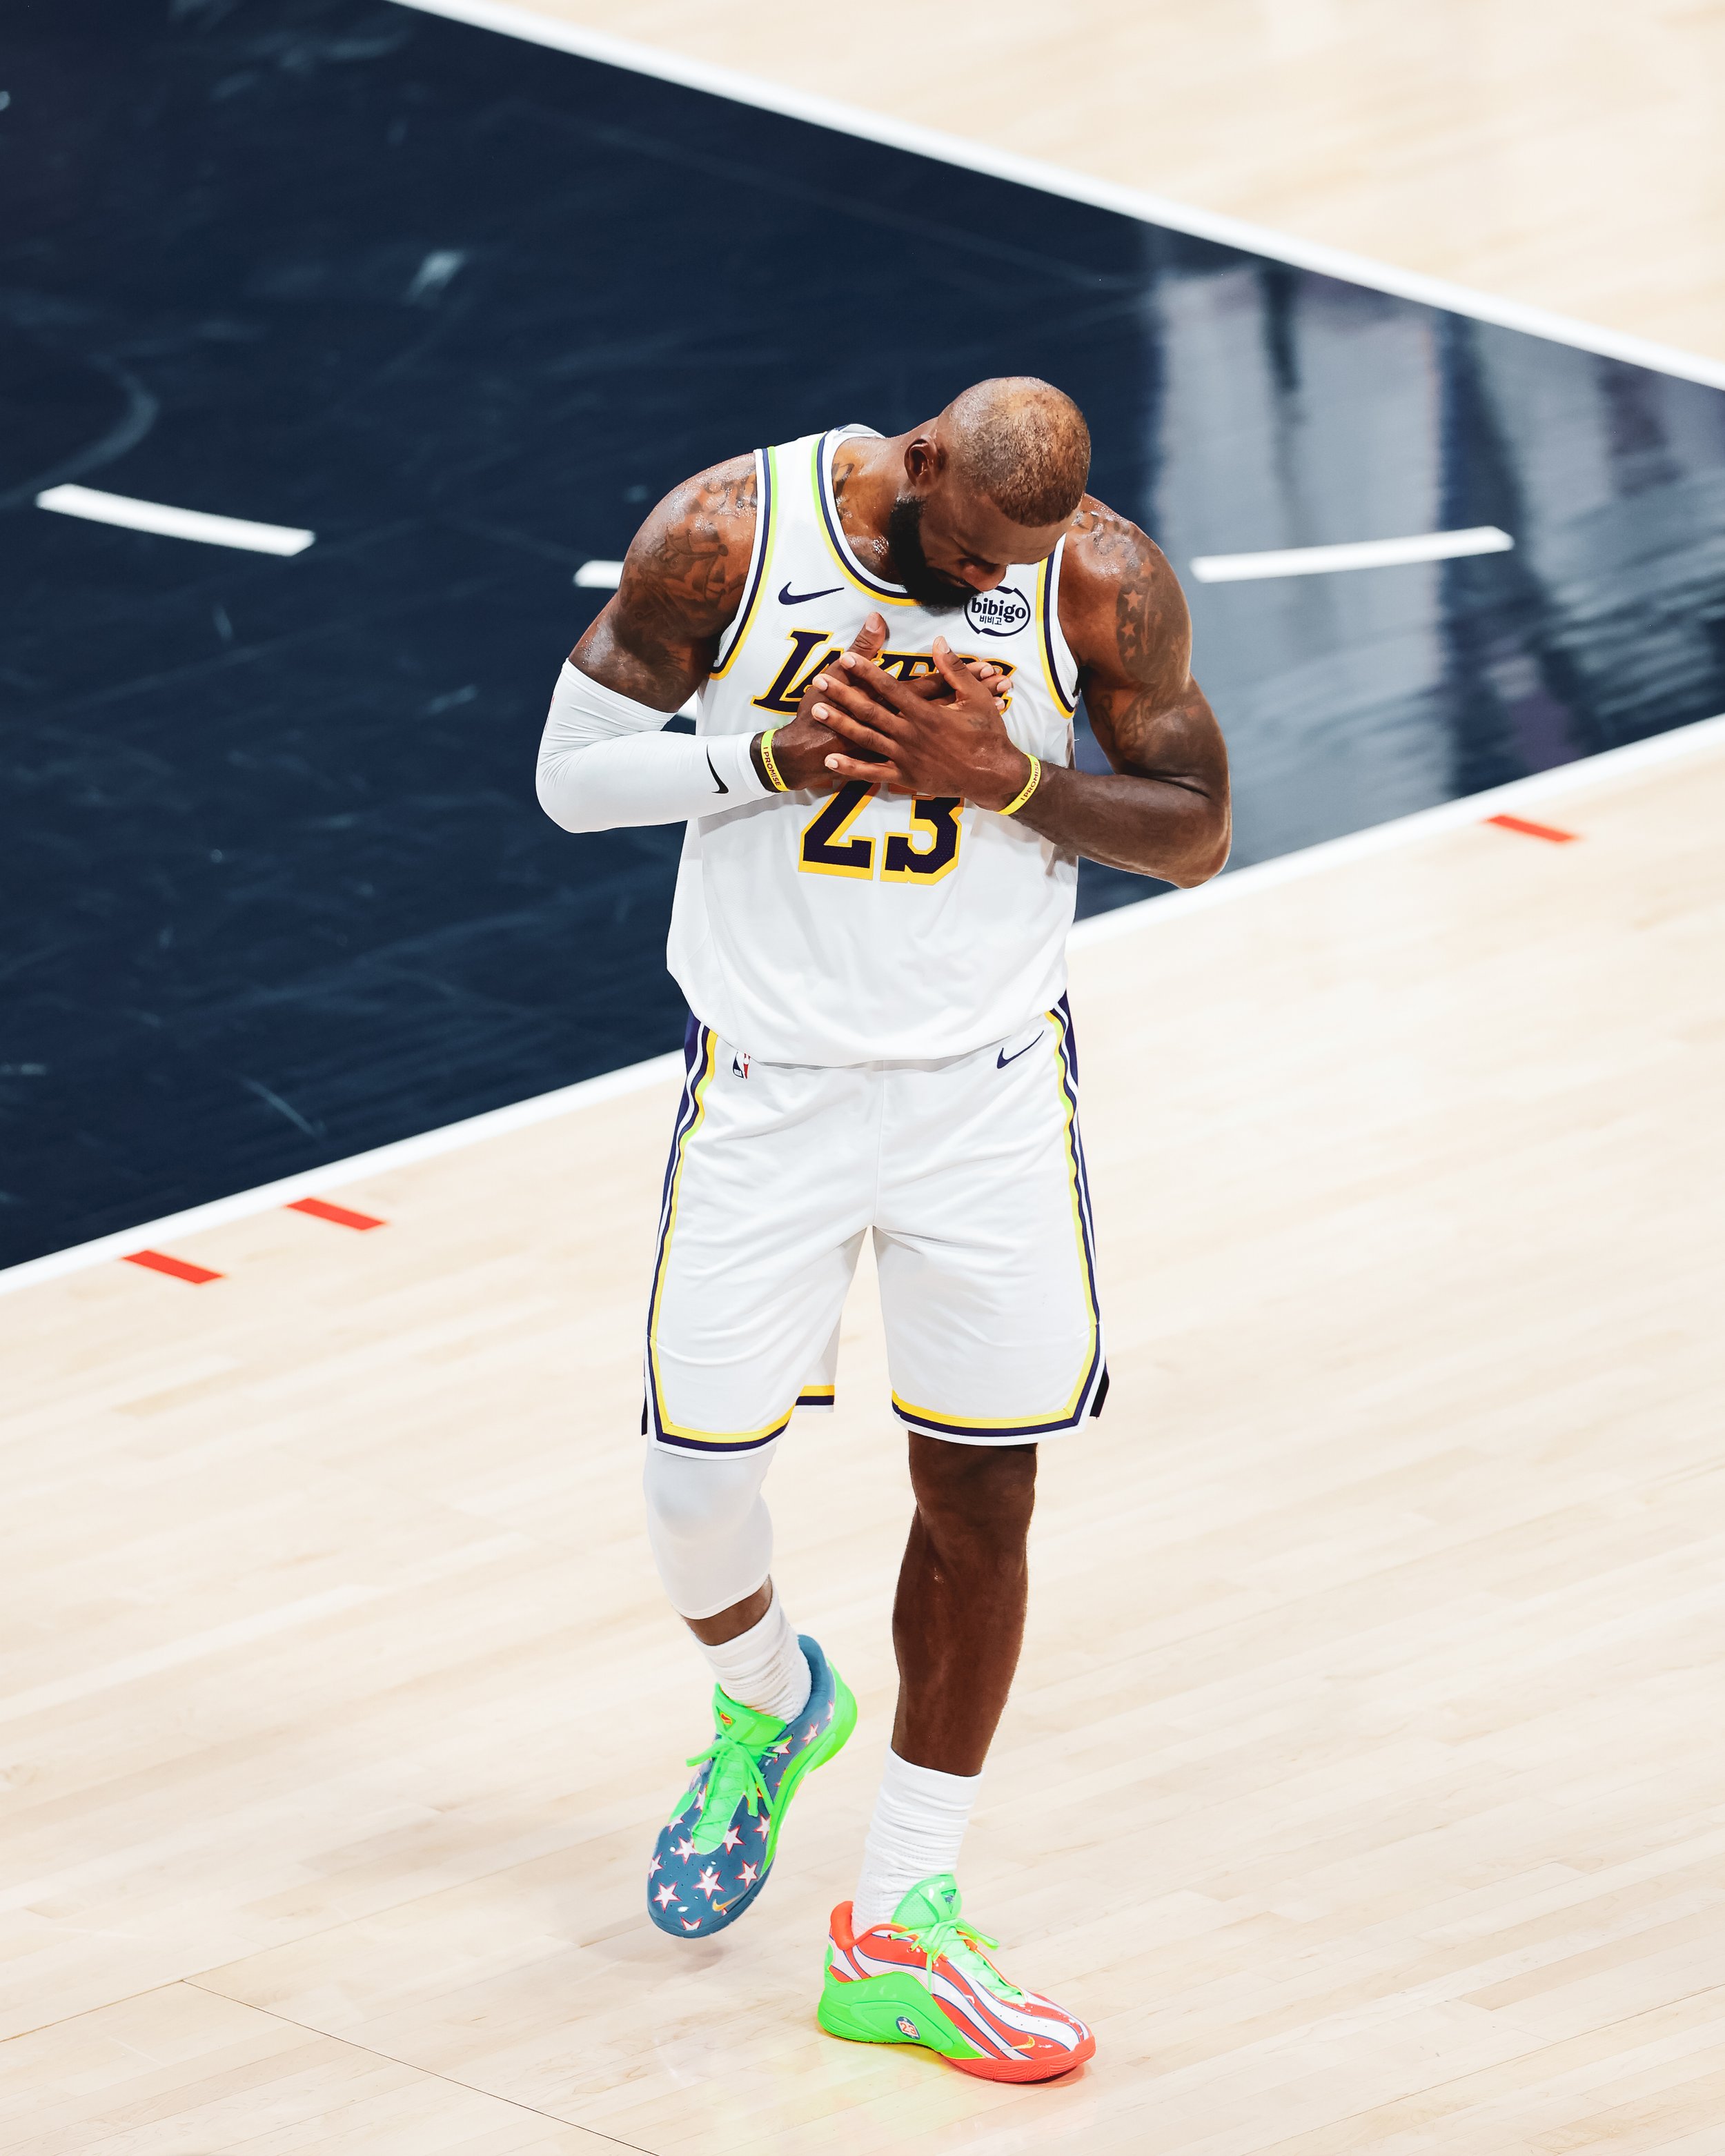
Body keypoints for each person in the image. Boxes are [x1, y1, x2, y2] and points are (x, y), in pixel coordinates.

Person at [536, 377, 1228, 2081]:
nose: (981, 576)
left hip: (981, 1101)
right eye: (967, 544)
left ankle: (898, 1923)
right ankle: (770, 1697)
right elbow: (567, 782)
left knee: (983, 1488)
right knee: (695, 1480)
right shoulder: (726, 531)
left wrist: (1007, 782)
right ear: (918, 462)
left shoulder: (1097, 580)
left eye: (1021, 551)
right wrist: (762, 753)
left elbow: (1197, 833)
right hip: (766, 1087)